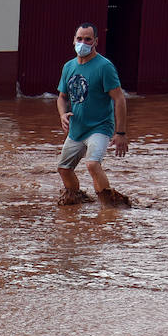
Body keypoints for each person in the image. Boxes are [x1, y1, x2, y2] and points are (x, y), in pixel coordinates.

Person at [56, 23, 129, 208]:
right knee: (64, 169)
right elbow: (62, 97)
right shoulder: (68, 67)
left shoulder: (104, 67)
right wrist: (63, 114)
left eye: (88, 39)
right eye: (79, 39)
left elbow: (119, 99)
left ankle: (109, 207)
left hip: (100, 127)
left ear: (95, 41)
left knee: (92, 164)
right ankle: (76, 201)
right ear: (73, 40)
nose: (83, 43)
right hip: (77, 129)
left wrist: (120, 133)